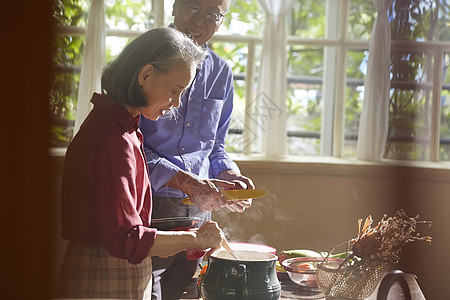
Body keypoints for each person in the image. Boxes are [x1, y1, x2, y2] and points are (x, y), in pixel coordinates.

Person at [56, 27, 228, 300]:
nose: (176, 103)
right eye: (175, 90)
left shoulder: (122, 127)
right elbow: (126, 239)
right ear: (145, 74)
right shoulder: (114, 138)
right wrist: (196, 240)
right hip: (104, 277)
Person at [139, 0, 256, 299]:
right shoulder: (142, 60)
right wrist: (188, 183)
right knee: (145, 292)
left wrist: (229, 174)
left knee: (189, 292)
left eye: (212, 14)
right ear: (175, 6)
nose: (200, 22)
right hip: (148, 205)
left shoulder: (221, 73)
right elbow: (129, 146)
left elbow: (215, 147)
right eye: (193, 8)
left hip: (198, 213)